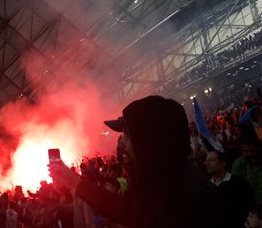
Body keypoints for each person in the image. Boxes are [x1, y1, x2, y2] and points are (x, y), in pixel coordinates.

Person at [49, 95, 225, 228]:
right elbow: (124, 207)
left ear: (148, 141)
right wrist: (73, 182)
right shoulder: (159, 183)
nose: (121, 142)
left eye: (127, 134)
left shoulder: (191, 199)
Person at [205, 150, 255, 228]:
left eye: (211, 160)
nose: (207, 163)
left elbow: (251, 205)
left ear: (223, 163)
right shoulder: (206, 187)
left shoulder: (239, 183)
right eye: (206, 160)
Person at [232, 124, 262, 204]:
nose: (249, 154)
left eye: (252, 150)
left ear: (258, 148)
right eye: (245, 151)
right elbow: (237, 188)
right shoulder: (239, 164)